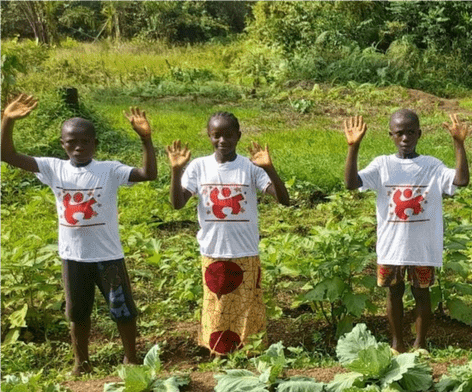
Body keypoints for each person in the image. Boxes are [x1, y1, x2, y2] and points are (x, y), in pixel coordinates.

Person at [1, 93, 158, 375]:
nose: (78, 147)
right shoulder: (53, 168)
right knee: (77, 312)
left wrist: (146, 139)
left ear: (95, 144)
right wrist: (7, 121)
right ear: (62, 144)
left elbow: (148, 174)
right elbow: (7, 155)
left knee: (122, 309)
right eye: (71, 142)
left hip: (108, 256)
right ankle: (81, 363)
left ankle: (131, 358)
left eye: (85, 141)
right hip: (73, 257)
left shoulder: (109, 170)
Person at [343, 110, 470, 353]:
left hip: (422, 246)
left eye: (410, 132)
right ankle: (396, 344)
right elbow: (351, 183)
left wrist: (458, 144)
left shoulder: (431, 165)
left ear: (419, 134)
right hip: (392, 246)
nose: (405, 138)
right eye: (399, 133)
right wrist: (353, 147)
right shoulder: (382, 165)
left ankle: (420, 345)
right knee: (393, 293)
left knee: (422, 295)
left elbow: (461, 181)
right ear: (391, 135)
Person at [167, 112, 289, 356]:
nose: (223, 140)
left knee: (247, 306)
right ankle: (219, 354)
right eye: (216, 135)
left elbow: (283, 200)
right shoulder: (199, 167)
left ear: (238, 136)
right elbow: (177, 204)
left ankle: (249, 354)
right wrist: (175, 172)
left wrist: (269, 168)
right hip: (213, 251)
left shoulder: (250, 167)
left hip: (245, 250)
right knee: (217, 307)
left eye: (229, 135)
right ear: (209, 137)